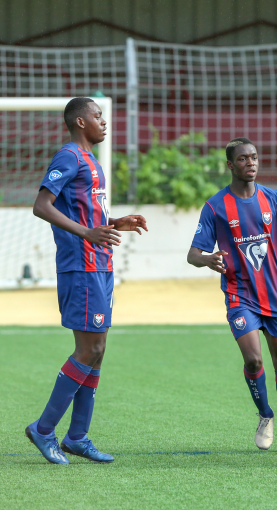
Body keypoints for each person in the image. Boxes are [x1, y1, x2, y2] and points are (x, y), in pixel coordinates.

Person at [26, 96, 148, 464]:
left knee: (98, 350)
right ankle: (43, 429)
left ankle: (77, 436)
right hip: (82, 265)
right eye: (97, 116)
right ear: (80, 122)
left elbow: (89, 215)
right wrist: (86, 234)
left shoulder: (91, 161)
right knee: (88, 350)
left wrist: (114, 224)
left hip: (100, 263)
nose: (103, 121)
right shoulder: (69, 156)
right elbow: (41, 205)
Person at [187, 138, 277, 453]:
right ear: (230, 165)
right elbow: (193, 254)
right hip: (240, 295)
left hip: (276, 295)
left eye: (253, 157)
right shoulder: (215, 207)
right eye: (242, 159)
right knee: (253, 359)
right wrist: (208, 259)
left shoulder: (274, 199)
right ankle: (266, 414)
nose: (250, 163)